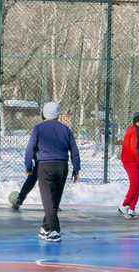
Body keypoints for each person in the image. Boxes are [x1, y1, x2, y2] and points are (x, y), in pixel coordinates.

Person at [24, 102, 80, 242]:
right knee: (55, 198)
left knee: (48, 200)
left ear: (44, 114)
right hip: (62, 166)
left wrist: (28, 166)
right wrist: (76, 168)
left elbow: (30, 148)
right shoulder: (66, 129)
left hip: (45, 165)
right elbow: (74, 150)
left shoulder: (38, 128)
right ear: (57, 114)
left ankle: (54, 229)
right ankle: (45, 227)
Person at [118, 112, 139, 220]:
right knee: (135, 184)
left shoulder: (137, 130)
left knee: (138, 186)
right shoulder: (135, 131)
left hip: (133, 161)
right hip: (130, 161)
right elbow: (134, 148)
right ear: (138, 121)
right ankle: (124, 205)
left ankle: (131, 209)